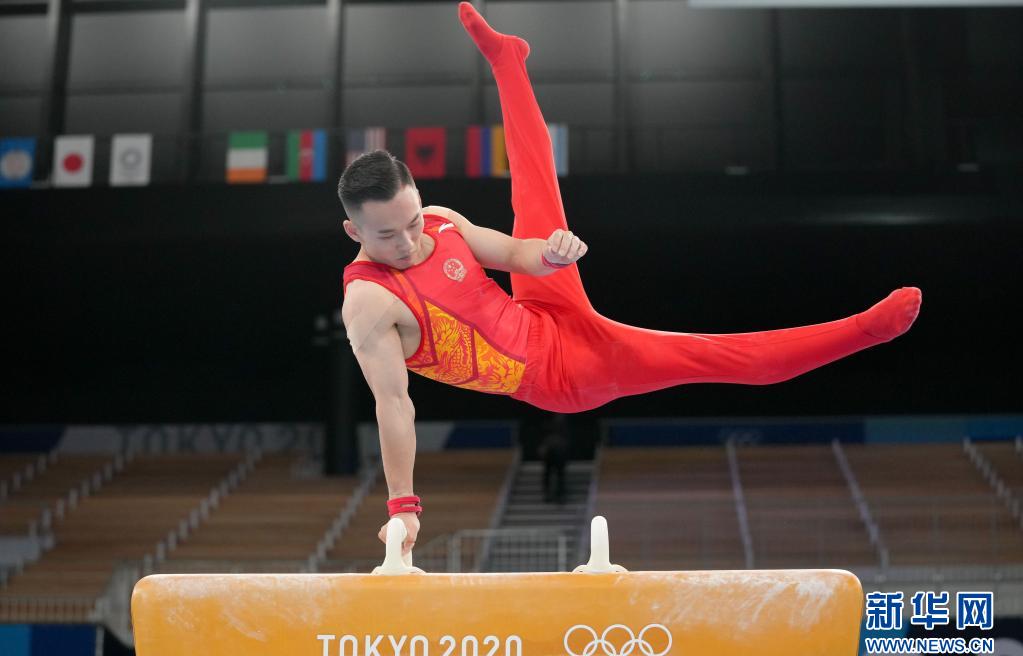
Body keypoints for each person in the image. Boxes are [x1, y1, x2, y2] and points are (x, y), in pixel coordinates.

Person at [338, 3, 922, 557]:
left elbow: (516, 254)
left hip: (541, 308)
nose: (409, 241)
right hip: (563, 373)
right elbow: (394, 405)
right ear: (353, 231)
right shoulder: (370, 302)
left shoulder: (441, 221)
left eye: (412, 221)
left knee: (536, 190)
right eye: (388, 235)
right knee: (709, 355)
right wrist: (404, 505)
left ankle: (507, 60)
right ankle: (863, 332)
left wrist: (553, 255)